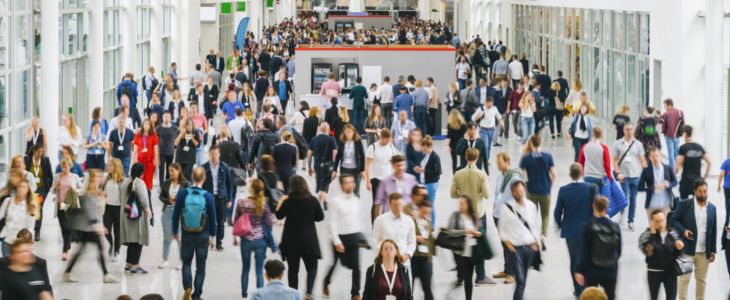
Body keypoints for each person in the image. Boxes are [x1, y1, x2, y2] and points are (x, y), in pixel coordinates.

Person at [62, 169, 117, 283]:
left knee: (83, 250)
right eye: (98, 177)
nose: (101, 179)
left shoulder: (92, 191)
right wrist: (97, 225)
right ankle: (105, 275)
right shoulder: (89, 193)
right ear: (92, 179)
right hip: (88, 227)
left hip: (88, 227)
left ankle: (68, 272)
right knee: (99, 249)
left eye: (101, 177)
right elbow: (90, 210)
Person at [275, 176, 324, 300]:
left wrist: (280, 201)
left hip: (291, 242)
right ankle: (308, 292)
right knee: (312, 268)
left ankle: (293, 294)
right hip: (309, 240)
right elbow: (320, 217)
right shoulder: (312, 200)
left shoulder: (287, 202)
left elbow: (279, 216)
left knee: (293, 270)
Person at [173, 166, 217, 300]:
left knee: (186, 263)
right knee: (200, 267)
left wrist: (175, 231)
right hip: (203, 235)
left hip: (186, 234)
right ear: (204, 178)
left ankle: (187, 287)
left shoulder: (183, 193)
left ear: (192, 177)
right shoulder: (208, 196)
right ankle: (196, 295)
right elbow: (213, 218)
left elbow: (175, 214)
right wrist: (213, 237)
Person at [671, 178, 717, 300]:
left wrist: (712, 251)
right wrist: (684, 231)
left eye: (705, 191)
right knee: (684, 279)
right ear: (694, 191)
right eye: (700, 192)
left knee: (701, 280)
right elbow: (673, 220)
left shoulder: (712, 208)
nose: (703, 194)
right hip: (687, 251)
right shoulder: (684, 205)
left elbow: (713, 232)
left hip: (703, 252)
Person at [554, 164, 596, 296]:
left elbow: (557, 213)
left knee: (574, 260)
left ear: (570, 174)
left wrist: (561, 225)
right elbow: (596, 210)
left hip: (571, 232)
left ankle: (578, 289)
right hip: (588, 232)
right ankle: (586, 288)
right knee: (587, 259)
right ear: (582, 172)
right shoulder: (591, 188)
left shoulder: (563, 190)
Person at [323, 174, 366, 299]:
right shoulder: (336, 201)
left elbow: (358, 220)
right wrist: (336, 241)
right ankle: (326, 282)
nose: (351, 185)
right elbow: (332, 222)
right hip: (340, 238)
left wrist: (361, 238)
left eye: (352, 182)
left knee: (357, 267)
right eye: (347, 182)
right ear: (342, 185)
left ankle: (355, 293)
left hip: (353, 237)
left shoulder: (357, 201)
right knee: (335, 263)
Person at [498, 180, 541, 300]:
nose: (520, 193)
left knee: (522, 282)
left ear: (525, 190)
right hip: (515, 249)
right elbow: (502, 228)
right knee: (521, 281)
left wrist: (536, 242)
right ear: (513, 192)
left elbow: (536, 225)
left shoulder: (531, 206)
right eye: (517, 191)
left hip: (529, 248)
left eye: (522, 190)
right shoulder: (506, 208)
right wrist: (507, 243)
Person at [575, 196, 622, 300]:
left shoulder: (588, 226)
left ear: (593, 206)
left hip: (592, 270)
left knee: (590, 297)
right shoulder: (615, 227)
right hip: (610, 270)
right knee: (610, 297)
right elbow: (618, 251)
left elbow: (584, 252)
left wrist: (579, 270)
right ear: (606, 208)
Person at [447, 195, 491, 299]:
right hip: (459, 252)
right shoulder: (455, 216)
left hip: (472, 252)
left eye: (463, 203)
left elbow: (481, 231)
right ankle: (456, 284)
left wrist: (477, 233)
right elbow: (450, 232)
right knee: (465, 275)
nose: (461, 205)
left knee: (468, 279)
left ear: (468, 204)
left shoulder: (474, 217)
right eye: (460, 203)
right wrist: (466, 231)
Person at [640, 210, 684, 300]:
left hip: (670, 271)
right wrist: (652, 234)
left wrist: (679, 248)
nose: (660, 223)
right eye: (657, 221)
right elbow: (649, 252)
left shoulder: (672, 233)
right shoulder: (646, 235)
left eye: (662, 220)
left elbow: (677, 253)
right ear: (652, 222)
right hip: (654, 271)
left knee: (672, 297)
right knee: (654, 297)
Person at [519, 135, 557, 242]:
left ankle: (532, 235)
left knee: (531, 214)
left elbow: (521, 174)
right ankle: (543, 235)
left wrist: (524, 186)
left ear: (531, 143)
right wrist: (550, 185)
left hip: (531, 190)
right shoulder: (548, 156)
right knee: (545, 215)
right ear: (540, 143)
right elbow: (554, 173)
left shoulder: (526, 158)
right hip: (545, 190)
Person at [612, 122, 648, 230]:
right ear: (624, 131)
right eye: (627, 129)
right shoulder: (617, 144)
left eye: (631, 129)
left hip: (636, 176)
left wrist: (646, 175)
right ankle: (621, 216)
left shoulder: (638, 144)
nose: (629, 131)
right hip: (624, 176)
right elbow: (614, 160)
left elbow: (642, 160)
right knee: (625, 198)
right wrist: (618, 172)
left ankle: (631, 220)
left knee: (633, 198)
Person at [120, 163, 152, 274]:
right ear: (142, 173)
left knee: (131, 239)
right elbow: (143, 199)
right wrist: (149, 211)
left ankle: (129, 263)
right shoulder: (139, 182)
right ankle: (135, 265)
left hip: (125, 214)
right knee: (138, 239)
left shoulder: (126, 181)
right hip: (136, 216)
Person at [158, 163, 188, 269]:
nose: (170, 173)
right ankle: (165, 259)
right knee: (167, 238)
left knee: (180, 238)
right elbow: (161, 196)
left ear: (178, 171)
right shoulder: (167, 183)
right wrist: (168, 200)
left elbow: (188, 198)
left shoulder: (185, 184)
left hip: (180, 213)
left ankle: (182, 260)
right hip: (167, 212)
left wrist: (178, 201)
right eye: (169, 171)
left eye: (172, 171)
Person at [52, 158, 83, 261]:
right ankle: (68, 248)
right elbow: (52, 191)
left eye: (66, 166)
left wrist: (75, 190)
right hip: (61, 204)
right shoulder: (57, 177)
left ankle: (65, 251)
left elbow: (81, 189)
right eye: (62, 166)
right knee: (63, 227)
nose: (64, 168)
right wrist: (55, 187)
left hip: (70, 204)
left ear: (70, 166)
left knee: (67, 228)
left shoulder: (74, 177)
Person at [202, 145, 232, 251]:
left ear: (219, 155)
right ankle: (207, 240)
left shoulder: (225, 167)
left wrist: (229, 199)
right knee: (207, 220)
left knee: (220, 221)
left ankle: (219, 242)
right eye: (212, 154)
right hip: (208, 197)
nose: (214, 156)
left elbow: (229, 184)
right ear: (209, 154)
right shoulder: (204, 167)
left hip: (221, 197)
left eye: (216, 154)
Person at [639, 146, 678, 219]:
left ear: (660, 156)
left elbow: (675, 182)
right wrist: (652, 187)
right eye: (653, 156)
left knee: (665, 229)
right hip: (652, 206)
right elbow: (639, 187)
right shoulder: (646, 171)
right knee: (653, 230)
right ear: (650, 158)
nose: (655, 158)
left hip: (666, 205)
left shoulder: (668, 168)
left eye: (657, 155)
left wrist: (669, 184)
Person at [0, 179, 36, 256]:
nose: (21, 189)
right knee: (6, 266)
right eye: (19, 186)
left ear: (28, 190)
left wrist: (30, 242)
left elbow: (30, 226)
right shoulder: (8, 201)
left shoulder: (30, 205)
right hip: (7, 240)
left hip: (21, 243)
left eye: (24, 187)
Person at [675, 125, 711, 200]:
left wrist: (673, 176)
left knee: (683, 204)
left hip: (686, 181)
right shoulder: (699, 147)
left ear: (685, 134)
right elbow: (709, 162)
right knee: (696, 204)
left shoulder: (683, 148)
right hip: (697, 181)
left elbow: (677, 166)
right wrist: (705, 177)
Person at [25, 145, 53, 241]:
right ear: (34, 151)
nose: (40, 154)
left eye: (42, 152)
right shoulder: (27, 160)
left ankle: (37, 231)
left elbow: (50, 175)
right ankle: (28, 229)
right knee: (29, 208)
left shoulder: (45, 160)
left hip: (42, 189)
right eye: (38, 152)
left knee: (38, 207)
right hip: (30, 189)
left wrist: (48, 187)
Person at [307, 122, 338, 203]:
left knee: (319, 181)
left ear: (320, 129)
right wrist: (335, 168)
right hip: (328, 166)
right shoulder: (331, 139)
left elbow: (309, 154)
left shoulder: (314, 139)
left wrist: (309, 167)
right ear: (328, 130)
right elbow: (335, 154)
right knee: (325, 184)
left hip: (317, 166)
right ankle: (321, 199)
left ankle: (321, 196)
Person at [334, 124, 366, 196]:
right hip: (345, 169)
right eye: (347, 132)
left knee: (356, 192)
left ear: (353, 132)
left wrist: (363, 170)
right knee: (345, 191)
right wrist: (334, 170)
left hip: (356, 170)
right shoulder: (342, 142)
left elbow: (363, 156)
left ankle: (355, 206)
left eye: (350, 132)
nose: (349, 134)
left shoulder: (358, 141)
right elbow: (338, 156)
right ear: (344, 133)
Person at [103, 159, 125, 261]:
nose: (108, 167)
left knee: (117, 232)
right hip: (108, 207)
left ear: (115, 167)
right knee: (106, 230)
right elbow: (102, 190)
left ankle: (117, 251)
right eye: (108, 165)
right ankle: (111, 246)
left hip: (119, 208)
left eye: (110, 166)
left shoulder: (122, 181)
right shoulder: (107, 178)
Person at [131, 119, 159, 194]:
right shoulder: (138, 135)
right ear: (142, 125)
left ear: (150, 126)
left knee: (148, 178)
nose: (146, 126)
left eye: (148, 124)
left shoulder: (153, 135)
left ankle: (148, 193)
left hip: (150, 160)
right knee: (141, 177)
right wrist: (133, 158)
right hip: (140, 160)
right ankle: (141, 193)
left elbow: (156, 148)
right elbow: (135, 148)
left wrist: (156, 159)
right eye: (145, 124)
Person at [473, 96, 503, 161]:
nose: (491, 105)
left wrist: (501, 122)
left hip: (492, 130)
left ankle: (486, 160)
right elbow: (473, 118)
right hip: (483, 130)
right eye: (489, 103)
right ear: (486, 102)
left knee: (489, 146)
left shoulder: (494, 108)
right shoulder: (481, 109)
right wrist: (479, 115)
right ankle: (485, 160)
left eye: (492, 103)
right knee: (485, 145)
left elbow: (499, 116)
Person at [659, 99, 685, 170]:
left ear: (669, 105)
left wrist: (659, 115)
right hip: (677, 135)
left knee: (670, 153)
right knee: (676, 152)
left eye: (665, 106)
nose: (665, 108)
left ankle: (672, 170)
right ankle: (677, 167)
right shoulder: (680, 112)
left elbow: (660, 121)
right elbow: (683, 123)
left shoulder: (666, 114)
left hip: (668, 135)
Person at [420, 136, 441, 214]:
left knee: (430, 205)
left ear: (429, 146)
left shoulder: (435, 157)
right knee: (425, 204)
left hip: (431, 184)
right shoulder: (425, 155)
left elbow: (438, 172)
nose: (422, 149)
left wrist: (424, 170)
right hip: (424, 182)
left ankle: (432, 225)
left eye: (424, 147)